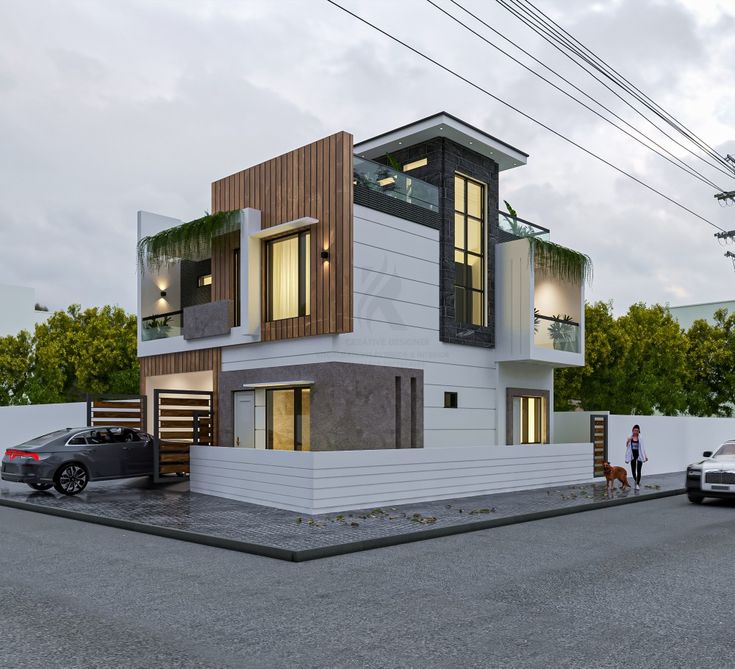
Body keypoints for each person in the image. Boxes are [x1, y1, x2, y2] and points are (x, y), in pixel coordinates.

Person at [625, 424, 648, 490]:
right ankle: (636, 480)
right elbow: (627, 446)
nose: (636, 431)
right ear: (632, 430)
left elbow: (643, 448)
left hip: (639, 455)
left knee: (639, 470)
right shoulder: (630, 437)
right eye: (634, 430)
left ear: (639, 431)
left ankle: (637, 483)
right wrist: (628, 440)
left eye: (637, 430)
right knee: (633, 470)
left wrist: (645, 456)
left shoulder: (641, 438)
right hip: (632, 455)